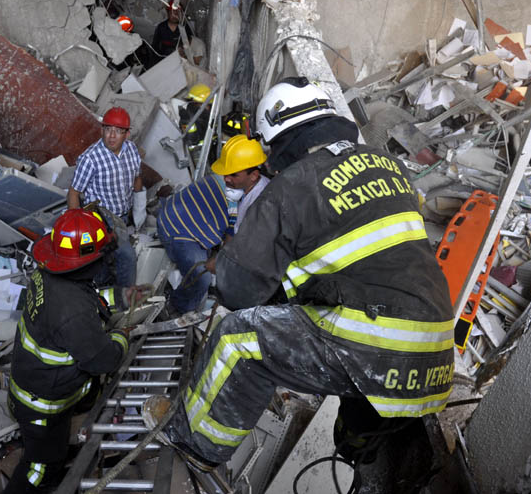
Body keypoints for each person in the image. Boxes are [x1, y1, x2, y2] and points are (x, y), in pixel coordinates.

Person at [144, 77, 455, 471]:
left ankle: (195, 442)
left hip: (379, 337)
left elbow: (239, 289)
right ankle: (357, 441)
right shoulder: (390, 166)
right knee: (348, 362)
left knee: (237, 338)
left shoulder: (292, 185)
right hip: (436, 353)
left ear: (279, 140)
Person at [5, 209, 129, 492]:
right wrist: (122, 336)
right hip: (42, 404)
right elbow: (103, 359)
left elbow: (87, 302)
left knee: (55, 446)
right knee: (42, 465)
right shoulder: (71, 310)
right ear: (87, 263)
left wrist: (121, 297)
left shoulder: (50, 275)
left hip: (30, 383)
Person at [157, 136, 268, 314]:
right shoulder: (242, 184)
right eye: (226, 173)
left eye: (234, 175)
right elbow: (233, 238)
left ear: (254, 175)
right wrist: (219, 262)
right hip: (176, 228)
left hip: (189, 220)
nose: (227, 179)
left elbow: (236, 239)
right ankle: (175, 308)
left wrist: (221, 260)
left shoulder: (259, 202)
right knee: (203, 279)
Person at [68, 107, 145, 288]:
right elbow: (74, 192)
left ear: (126, 134)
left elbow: (137, 178)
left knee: (109, 256)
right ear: (102, 130)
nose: (112, 135)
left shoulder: (132, 150)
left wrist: (139, 208)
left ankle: (104, 281)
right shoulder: (90, 158)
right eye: (108, 129)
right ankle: (125, 297)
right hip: (101, 217)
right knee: (126, 254)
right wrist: (77, 224)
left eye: (118, 131)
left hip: (123, 214)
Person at [150, 2, 193, 66]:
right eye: (172, 13)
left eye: (177, 13)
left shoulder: (185, 27)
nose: (174, 16)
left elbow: (190, 41)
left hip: (180, 60)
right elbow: (154, 47)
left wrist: (183, 49)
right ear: (168, 13)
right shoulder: (161, 27)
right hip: (164, 59)